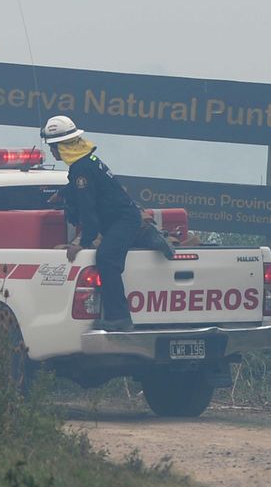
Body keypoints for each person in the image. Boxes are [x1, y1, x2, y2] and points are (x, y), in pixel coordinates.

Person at [41, 115, 172, 331]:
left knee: (106, 258)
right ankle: (146, 235)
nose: (53, 152)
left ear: (62, 146)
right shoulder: (86, 163)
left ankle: (118, 318)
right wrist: (63, 193)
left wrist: (83, 242)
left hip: (122, 220)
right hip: (121, 218)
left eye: (54, 147)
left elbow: (88, 210)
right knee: (111, 249)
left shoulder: (81, 169)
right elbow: (93, 189)